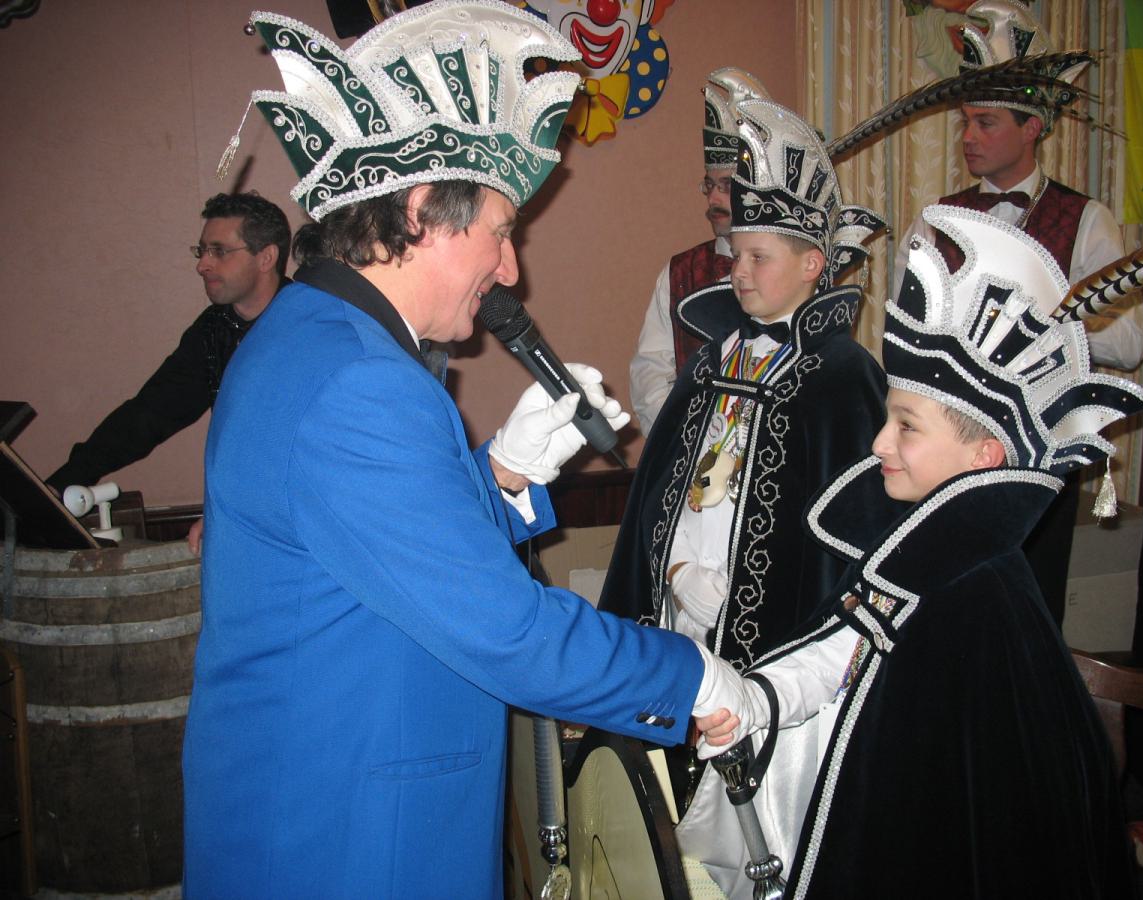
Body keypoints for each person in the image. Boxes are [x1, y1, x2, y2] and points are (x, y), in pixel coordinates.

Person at [181, 6, 757, 898]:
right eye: (501, 229)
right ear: (422, 215)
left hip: (314, 801)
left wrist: (502, 474)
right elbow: (505, 629)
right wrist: (693, 679)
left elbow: (382, 555)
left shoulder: (311, 336)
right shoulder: (358, 381)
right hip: (349, 838)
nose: (511, 269)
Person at [766, 205, 1143, 898]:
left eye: (906, 426)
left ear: (985, 456)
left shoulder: (977, 602)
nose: (878, 442)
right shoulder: (920, 557)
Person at [600, 96, 891, 897]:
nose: (739, 270)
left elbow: (846, 544)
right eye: (737, 253)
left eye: (761, 257)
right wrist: (661, 583)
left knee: (762, 839)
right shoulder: (709, 360)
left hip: (773, 648)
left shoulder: (846, 380)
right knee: (673, 829)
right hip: (681, 621)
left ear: (814, 265)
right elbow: (661, 492)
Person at [893, 0, 1143, 623]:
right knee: (940, 607)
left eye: (986, 123)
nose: (968, 138)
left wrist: (1046, 318)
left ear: (1032, 127)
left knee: (1026, 611)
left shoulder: (1086, 220)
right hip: (945, 456)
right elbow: (901, 336)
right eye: (965, 122)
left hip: (1039, 456)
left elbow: (1130, 343)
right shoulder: (936, 218)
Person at [46, 191, 291, 549]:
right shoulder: (213, 329)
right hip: (243, 515)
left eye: (219, 251)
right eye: (202, 251)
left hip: (297, 519)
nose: (202, 265)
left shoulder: (308, 325)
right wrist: (63, 483)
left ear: (266, 257)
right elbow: (151, 414)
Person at [628, 68, 770, 435]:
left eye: (727, 186)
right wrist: (686, 438)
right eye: (709, 185)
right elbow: (651, 372)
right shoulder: (679, 273)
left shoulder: (790, 270)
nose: (713, 199)